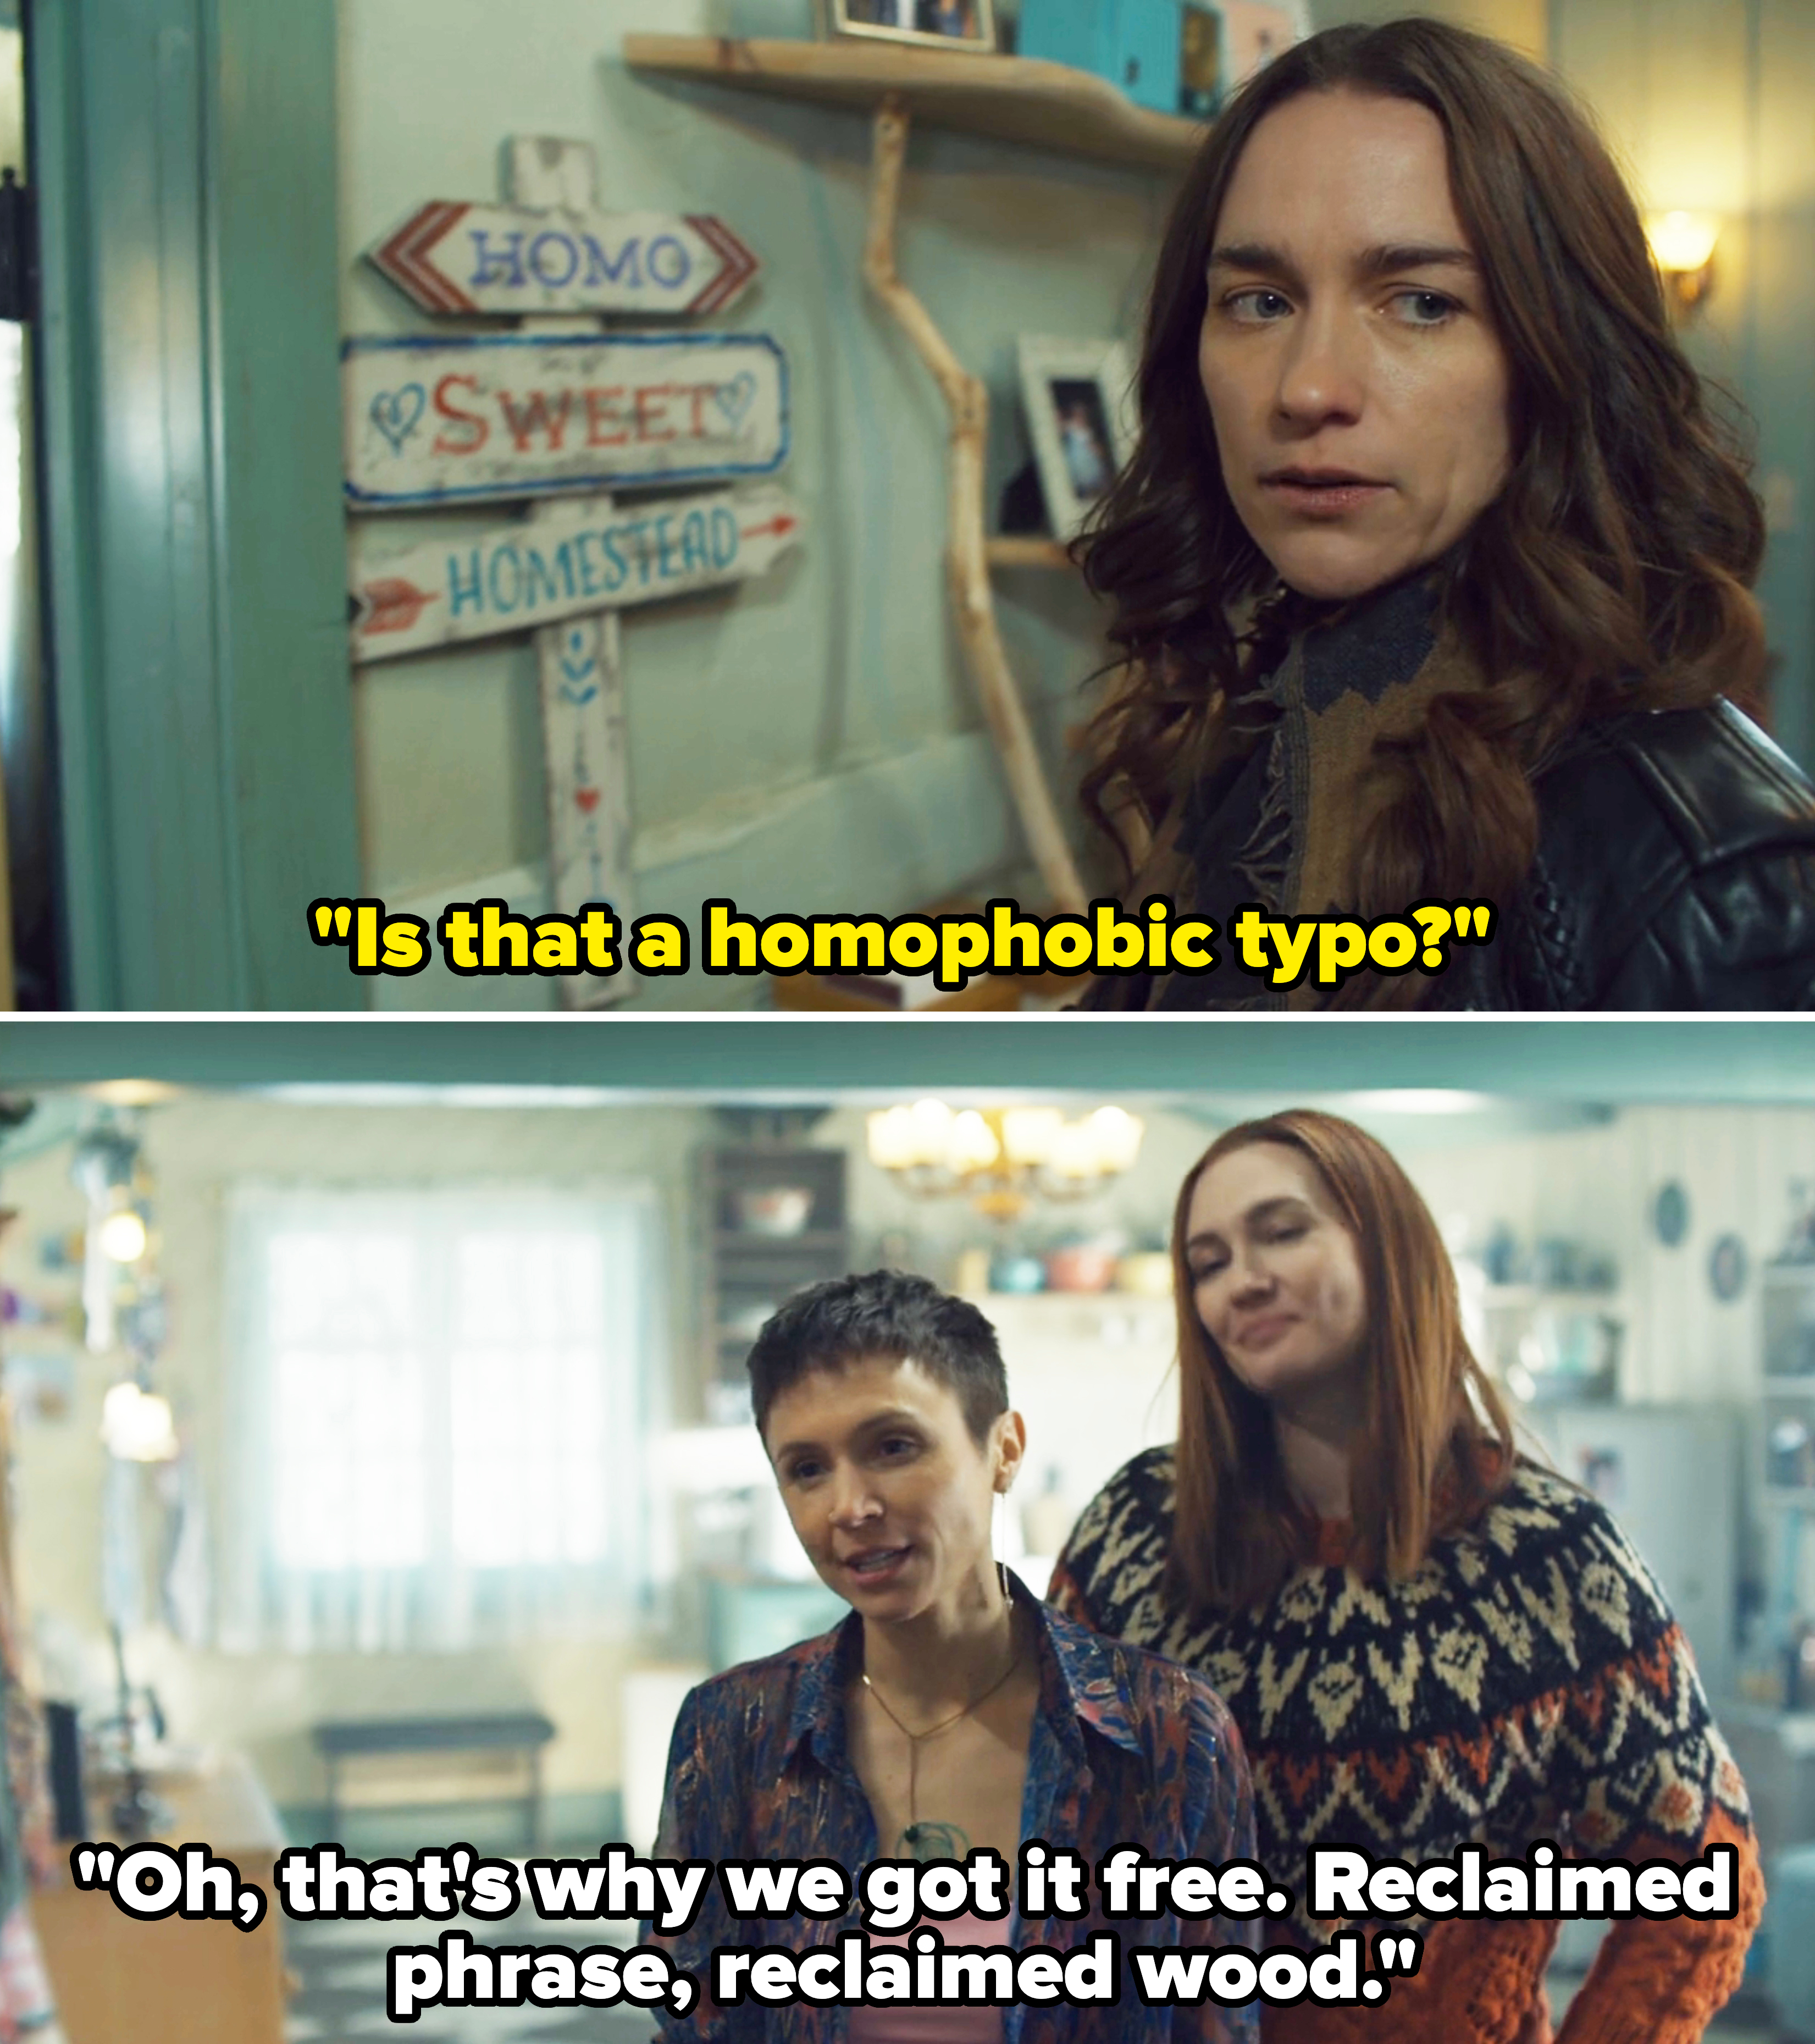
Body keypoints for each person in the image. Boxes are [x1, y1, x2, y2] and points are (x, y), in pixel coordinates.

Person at [1073, 19, 1815, 1010]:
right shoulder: (1253, 729)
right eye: (1257, 301)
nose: (1307, 388)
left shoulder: (1702, 873)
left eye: (1420, 304)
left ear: (1558, 361)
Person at [1050, 1109, 1763, 2043]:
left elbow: (1702, 1866)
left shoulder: (1549, 1551)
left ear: (1386, 1246)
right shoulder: (1136, 1528)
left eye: (1281, 1230)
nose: (1243, 1279)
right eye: (1208, 1261)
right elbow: (1046, 1821)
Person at [652, 1269, 1258, 2042]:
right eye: (806, 1468)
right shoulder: (732, 1732)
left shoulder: (1163, 1733)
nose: (849, 1506)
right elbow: (696, 2019)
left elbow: (1216, 2021)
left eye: (893, 1446)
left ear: (1003, 1449)